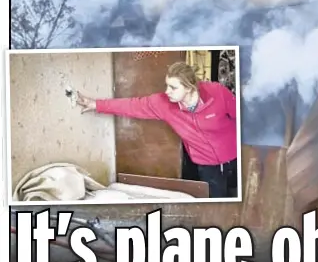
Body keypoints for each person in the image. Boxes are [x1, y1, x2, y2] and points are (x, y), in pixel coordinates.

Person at [76, 61, 238, 199]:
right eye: (167, 85)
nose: (167, 91)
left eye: (173, 87)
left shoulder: (217, 93)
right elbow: (133, 105)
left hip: (236, 156)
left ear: (189, 87)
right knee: (219, 203)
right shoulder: (164, 104)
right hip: (207, 165)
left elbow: (243, 116)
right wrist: (95, 104)